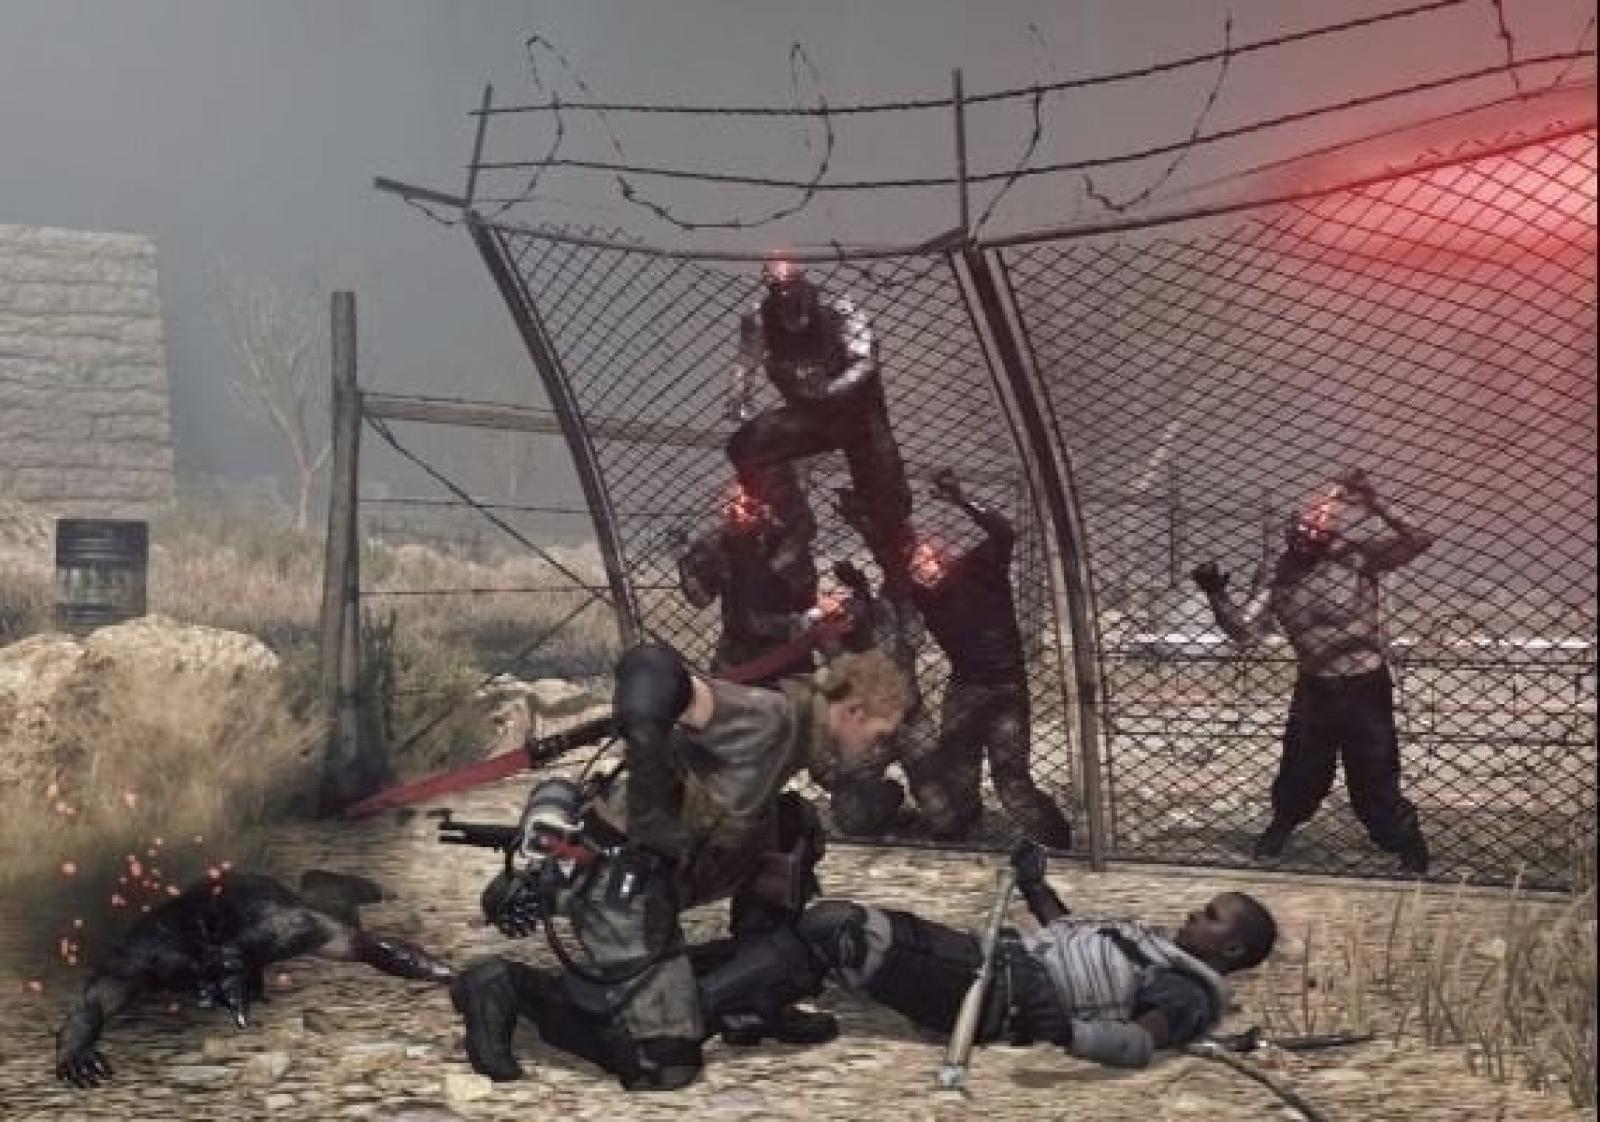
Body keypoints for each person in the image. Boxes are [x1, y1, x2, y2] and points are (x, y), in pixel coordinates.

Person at [450, 645, 912, 1091]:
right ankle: (507, 986)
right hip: (622, 873)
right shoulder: (769, 715)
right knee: (661, 1061)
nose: (878, 750)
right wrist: (651, 811)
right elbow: (652, 671)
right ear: (852, 711)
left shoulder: (806, 732)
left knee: (794, 826)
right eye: (879, 736)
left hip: (683, 861)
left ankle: (756, 1003)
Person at [707, 843, 1276, 1069]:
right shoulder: (1157, 952)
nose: (1193, 915)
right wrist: (1035, 885)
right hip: (994, 962)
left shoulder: (1186, 991)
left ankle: (691, 1011)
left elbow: (1139, 1044)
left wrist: (1066, 1032)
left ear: (1232, 949)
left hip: (999, 993)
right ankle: (739, 1004)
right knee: (825, 939)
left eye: (1210, 917)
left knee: (842, 932)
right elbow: (1071, 937)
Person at [1192, 469, 1433, 873]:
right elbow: (1245, 631)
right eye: (1298, 541)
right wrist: (1216, 593)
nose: (1304, 550)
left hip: (1363, 687)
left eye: (1313, 542)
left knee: (1373, 783)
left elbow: (1420, 539)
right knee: (1299, 775)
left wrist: (1375, 502)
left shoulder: (1354, 557)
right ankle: (1281, 827)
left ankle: (1408, 844)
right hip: (1315, 687)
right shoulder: (1277, 571)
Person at [840, 469, 1074, 849]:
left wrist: (960, 499)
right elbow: (889, 558)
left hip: (1006, 687)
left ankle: (1063, 844)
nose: (921, 565)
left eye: (927, 557)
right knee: (959, 780)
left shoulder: (980, 568)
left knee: (1012, 783)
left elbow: (1004, 533)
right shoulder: (923, 595)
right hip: (964, 687)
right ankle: (965, 839)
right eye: (915, 564)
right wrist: (861, 524)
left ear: (943, 555)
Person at [54, 870, 453, 1088]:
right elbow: (92, 1003)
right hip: (205, 917)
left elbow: (372, 948)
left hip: (258, 899)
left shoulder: (281, 924)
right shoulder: (149, 949)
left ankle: (345, 886)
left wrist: (446, 975)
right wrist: (72, 1049)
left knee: (334, 917)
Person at [726, 257, 912, 583]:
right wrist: (738, 394)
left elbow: (865, 362)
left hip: (858, 417)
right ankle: (796, 523)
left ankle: (899, 569)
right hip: (809, 418)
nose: (784, 296)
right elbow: (746, 359)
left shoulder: (839, 310)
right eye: (776, 288)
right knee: (746, 445)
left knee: (885, 497)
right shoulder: (758, 318)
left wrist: (831, 388)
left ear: (803, 282)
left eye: (790, 286)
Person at [675, 480, 820, 688]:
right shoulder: (721, 543)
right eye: (736, 506)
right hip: (737, 655)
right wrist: (688, 557)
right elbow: (700, 598)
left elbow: (802, 599)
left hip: (788, 656)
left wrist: (758, 547)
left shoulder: (786, 544)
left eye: (751, 507)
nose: (741, 514)